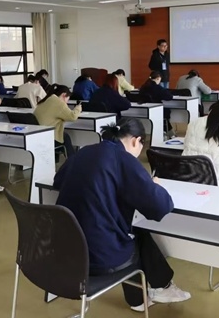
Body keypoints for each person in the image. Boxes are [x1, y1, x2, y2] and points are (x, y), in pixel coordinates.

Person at [54, 118, 190, 312]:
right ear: (136, 141)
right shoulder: (123, 159)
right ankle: (160, 288)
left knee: (129, 230)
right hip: (96, 257)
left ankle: (145, 296)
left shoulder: (84, 151)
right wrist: (154, 186)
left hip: (65, 250)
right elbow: (161, 206)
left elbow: (58, 181)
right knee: (136, 234)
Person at [34, 84, 81, 157]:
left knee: (63, 134)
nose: (67, 102)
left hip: (38, 136)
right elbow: (73, 117)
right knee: (65, 136)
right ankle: (73, 160)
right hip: (48, 137)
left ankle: (62, 159)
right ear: (64, 95)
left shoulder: (47, 99)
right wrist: (78, 108)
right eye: (68, 98)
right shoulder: (58, 102)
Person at [139, 71, 175, 138]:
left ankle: (170, 133)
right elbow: (169, 96)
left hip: (145, 110)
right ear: (158, 78)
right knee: (167, 111)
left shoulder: (143, 86)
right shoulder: (157, 87)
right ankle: (169, 133)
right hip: (157, 110)